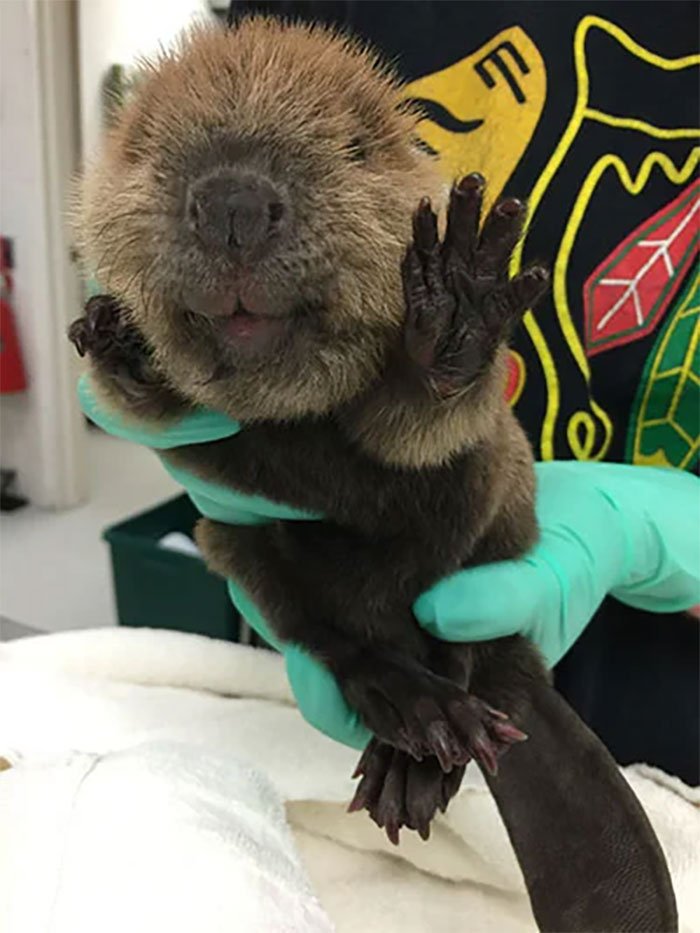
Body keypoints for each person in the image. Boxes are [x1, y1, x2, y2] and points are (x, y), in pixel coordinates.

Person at [82, 0, 700, 785]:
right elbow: (188, 401)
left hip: (663, 702)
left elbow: (418, 431)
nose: (234, 222)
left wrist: (659, 534)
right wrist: (135, 363)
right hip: (313, 675)